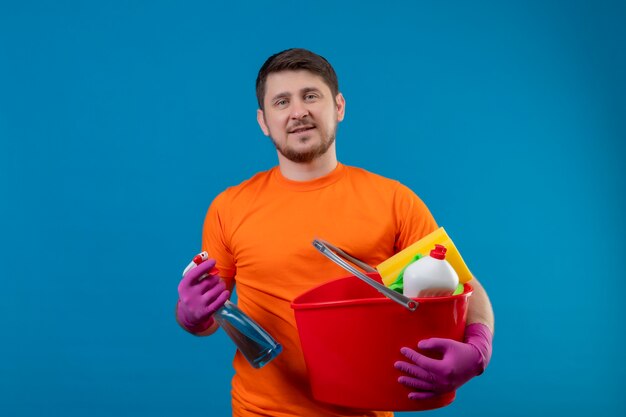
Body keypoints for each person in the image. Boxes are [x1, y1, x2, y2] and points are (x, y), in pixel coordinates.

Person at [176, 48, 495, 417]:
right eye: (282, 102)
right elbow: (212, 320)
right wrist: (193, 316)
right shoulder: (229, 207)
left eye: (311, 96)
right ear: (264, 121)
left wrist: (479, 347)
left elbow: (466, 288)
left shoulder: (393, 201)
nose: (298, 111)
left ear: (339, 106)